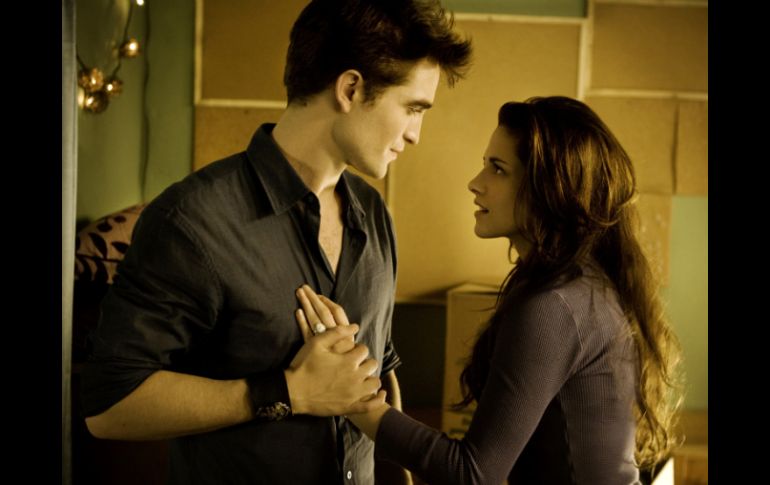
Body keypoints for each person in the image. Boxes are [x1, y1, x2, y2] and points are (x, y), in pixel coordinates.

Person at [81, 1, 472, 484]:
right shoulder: (191, 220)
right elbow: (109, 407)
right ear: (350, 89)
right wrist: (290, 392)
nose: (415, 135)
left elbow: (380, 363)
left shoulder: (374, 214)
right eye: (413, 108)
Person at [294, 96, 683, 484]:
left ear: (550, 188)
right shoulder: (579, 286)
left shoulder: (556, 305)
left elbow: (474, 474)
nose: (475, 183)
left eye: (498, 169)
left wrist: (354, 401)